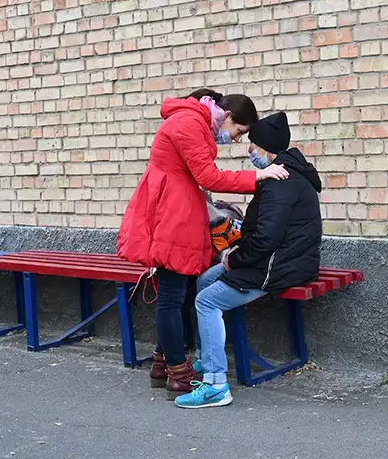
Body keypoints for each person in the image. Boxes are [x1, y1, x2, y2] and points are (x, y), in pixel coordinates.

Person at [117, 89, 289, 400]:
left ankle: (163, 364)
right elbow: (209, 177)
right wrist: (258, 176)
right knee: (171, 294)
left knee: (179, 291)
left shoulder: (193, 121)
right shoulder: (189, 123)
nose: (236, 139)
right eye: (239, 131)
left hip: (176, 209)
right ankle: (177, 375)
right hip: (171, 212)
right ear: (229, 117)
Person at [175, 112, 323, 409]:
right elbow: (265, 232)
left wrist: (236, 259)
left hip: (277, 268)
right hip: (287, 261)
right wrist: (235, 253)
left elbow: (267, 239)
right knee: (205, 279)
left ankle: (216, 385)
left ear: (267, 148)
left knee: (206, 301)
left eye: (252, 145)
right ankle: (206, 361)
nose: (250, 151)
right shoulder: (288, 173)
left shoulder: (280, 181)